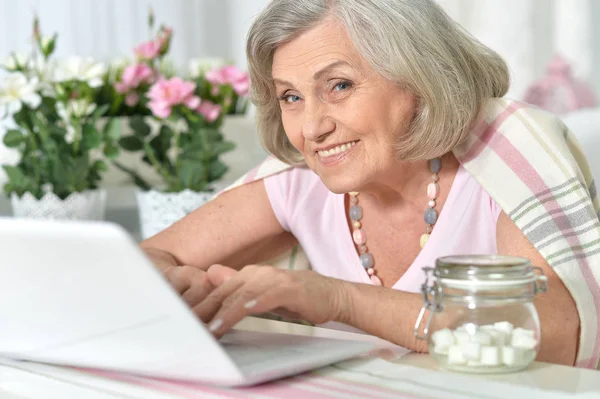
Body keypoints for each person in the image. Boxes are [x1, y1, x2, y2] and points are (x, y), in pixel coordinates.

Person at [141, 0, 600, 368]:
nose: (312, 128)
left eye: (339, 85)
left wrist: (337, 299)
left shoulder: (510, 142)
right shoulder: (302, 178)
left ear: (418, 79)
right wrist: (179, 283)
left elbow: (555, 335)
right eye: (291, 97)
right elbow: (142, 261)